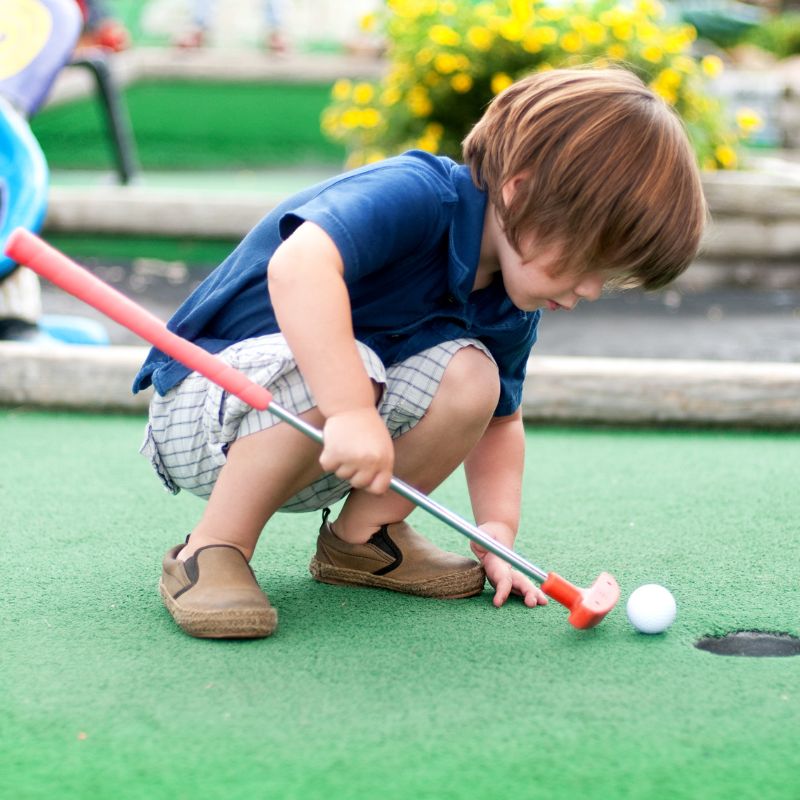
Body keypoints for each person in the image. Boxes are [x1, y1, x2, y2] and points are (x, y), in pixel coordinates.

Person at [133, 67, 706, 640]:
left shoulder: (509, 306)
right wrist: (352, 411)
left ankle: (363, 541)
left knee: (473, 377)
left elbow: (501, 425)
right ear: (521, 192)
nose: (588, 290)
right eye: (589, 262)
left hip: (326, 441)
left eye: (607, 277)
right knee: (352, 366)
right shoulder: (416, 193)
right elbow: (298, 267)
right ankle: (212, 549)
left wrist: (496, 533)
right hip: (204, 409)